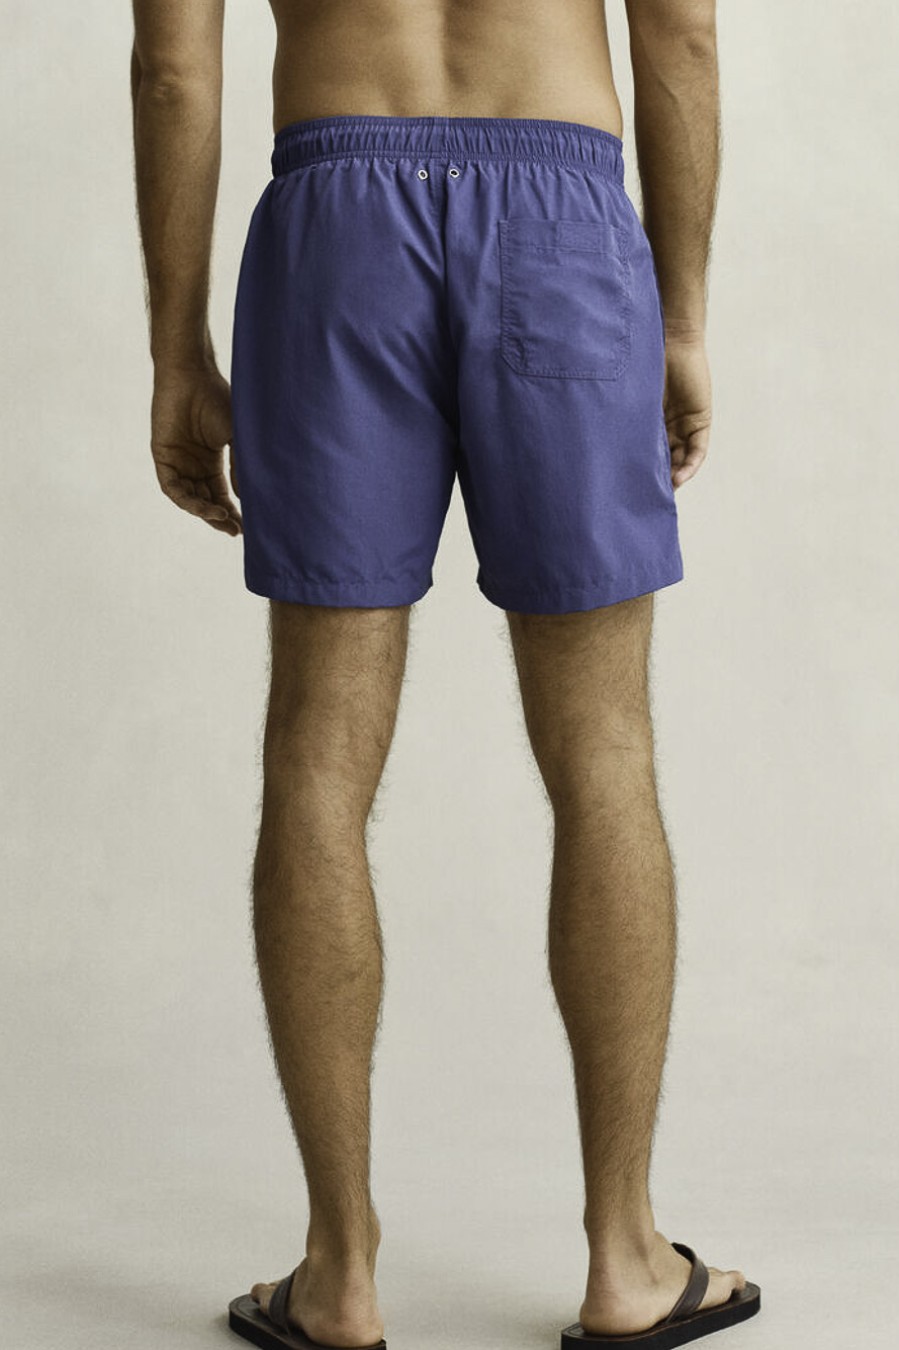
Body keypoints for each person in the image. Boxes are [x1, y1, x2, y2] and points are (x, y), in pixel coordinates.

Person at [130, 2, 761, 1347]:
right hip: (561, 211)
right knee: (604, 755)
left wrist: (176, 349)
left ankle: (339, 1274)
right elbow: (684, 35)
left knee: (317, 760)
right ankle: (625, 1259)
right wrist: (684, 317)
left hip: (336, 226)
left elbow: (177, 66)